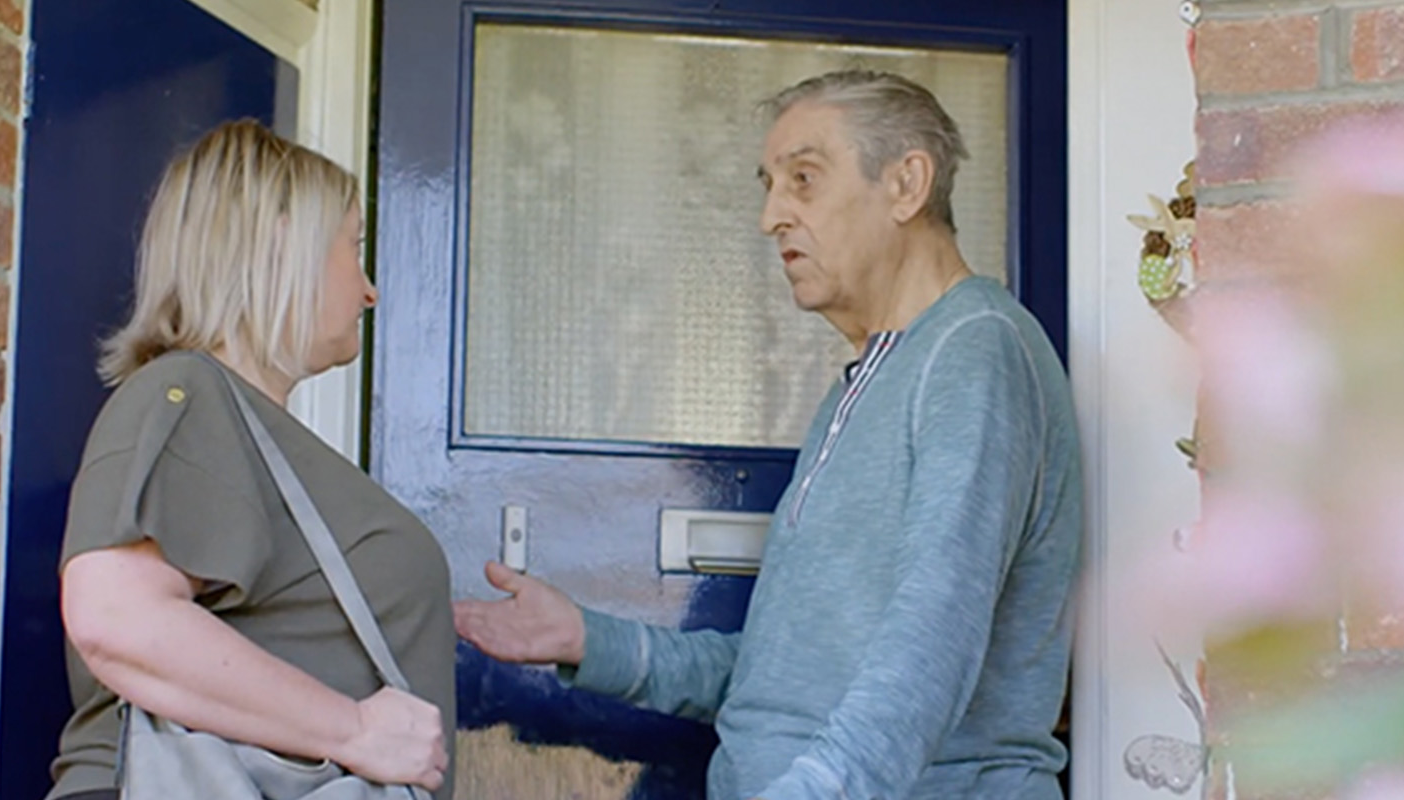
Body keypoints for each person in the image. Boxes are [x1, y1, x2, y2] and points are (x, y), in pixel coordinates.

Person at [455, 69, 1082, 800]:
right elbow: (785, 678)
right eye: (769, 185)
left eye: (804, 179)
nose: (771, 216)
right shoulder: (871, 378)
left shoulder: (976, 353)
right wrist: (592, 642)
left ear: (907, 185)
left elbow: (932, 643)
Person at [48, 120, 454, 800]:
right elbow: (115, 618)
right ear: (280, 244)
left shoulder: (241, 423)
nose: (369, 290)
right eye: (353, 248)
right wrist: (354, 730)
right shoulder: (186, 396)